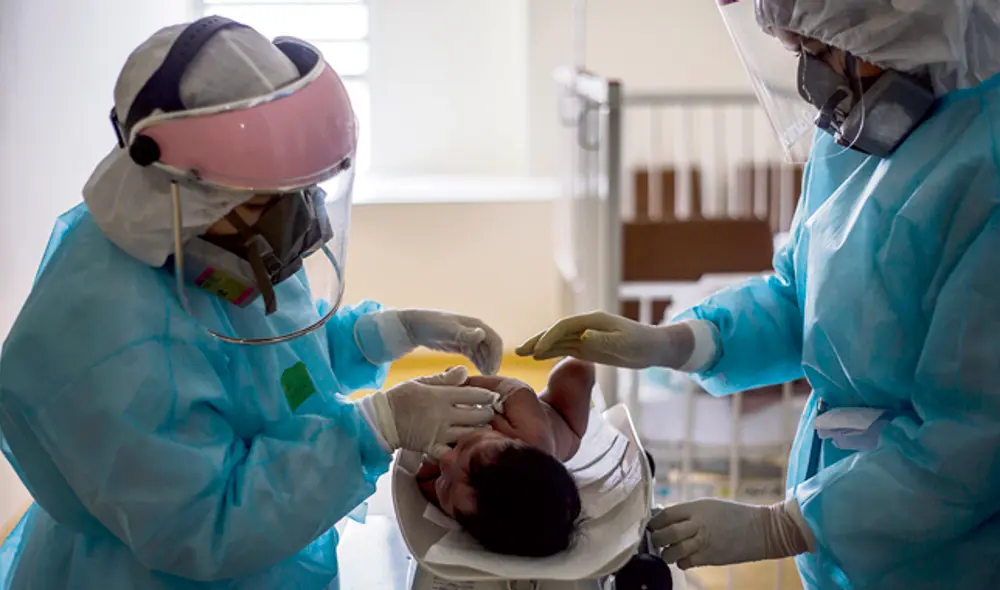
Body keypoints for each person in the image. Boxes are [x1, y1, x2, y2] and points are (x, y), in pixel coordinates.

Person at [0, 17, 506, 589]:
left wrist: (380, 334)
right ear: (190, 190)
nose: (303, 217)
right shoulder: (108, 340)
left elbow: (270, 366)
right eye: (275, 196)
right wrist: (370, 431)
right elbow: (205, 524)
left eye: (302, 189)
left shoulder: (217, 243)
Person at [517, 1, 1000, 588]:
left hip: (954, 560)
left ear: (897, 29)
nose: (808, 79)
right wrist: (679, 343)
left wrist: (784, 524)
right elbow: (804, 299)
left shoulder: (985, 175)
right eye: (796, 53)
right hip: (850, 546)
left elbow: (975, 442)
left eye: (817, 52)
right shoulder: (857, 138)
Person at [414, 359, 595, 557]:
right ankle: (583, 356)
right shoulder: (533, 435)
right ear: (514, 443)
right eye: (466, 448)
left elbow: (423, 479)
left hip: (531, 426)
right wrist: (465, 387)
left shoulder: (467, 507)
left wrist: (431, 455)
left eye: (445, 487)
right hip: (563, 420)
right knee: (576, 374)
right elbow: (516, 389)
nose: (447, 459)